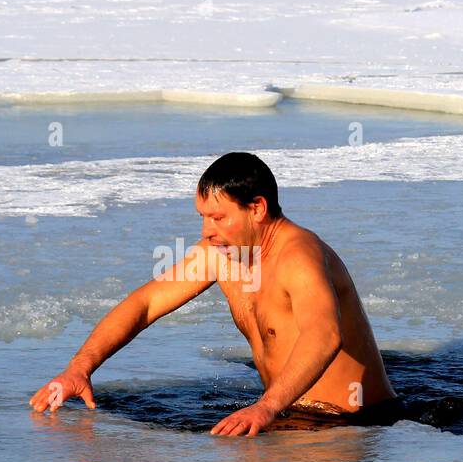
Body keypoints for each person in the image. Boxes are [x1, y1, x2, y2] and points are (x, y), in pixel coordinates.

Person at [29, 152, 398, 435]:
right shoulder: (221, 253)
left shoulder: (298, 257)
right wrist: (78, 369)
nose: (207, 230)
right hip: (285, 412)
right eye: (202, 217)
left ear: (257, 209)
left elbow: (324, 334)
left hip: (348, 423)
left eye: (219, 218)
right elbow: (144, 304)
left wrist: (266, 408)